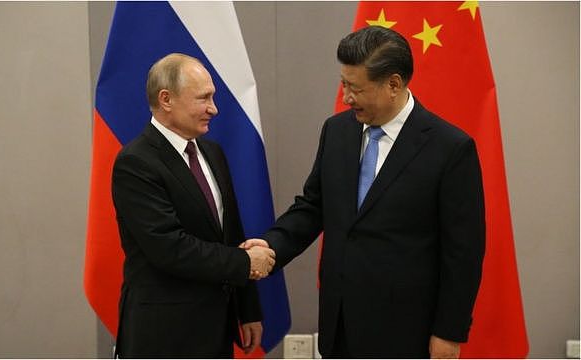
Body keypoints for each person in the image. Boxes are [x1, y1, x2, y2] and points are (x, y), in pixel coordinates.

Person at [242, 26, 485, 358]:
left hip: (407, 332)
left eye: (355, 88)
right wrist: (272, 244)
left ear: (394, 85)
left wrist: (449, 333)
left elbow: (464, 254)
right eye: (343, 83)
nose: (346, 97)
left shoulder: (450, 149)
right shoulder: (337, 131)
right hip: (339, 323)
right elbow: (313, 206)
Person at [111, 53, 276, 358]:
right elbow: (169, 248)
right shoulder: (136, 162)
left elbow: (230, 233)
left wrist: (248, 308)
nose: (214, 109)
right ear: (166, 99)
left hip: (215, 329)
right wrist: (245, 264)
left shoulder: (212, 153)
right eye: (204, 98)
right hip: (163, 334)